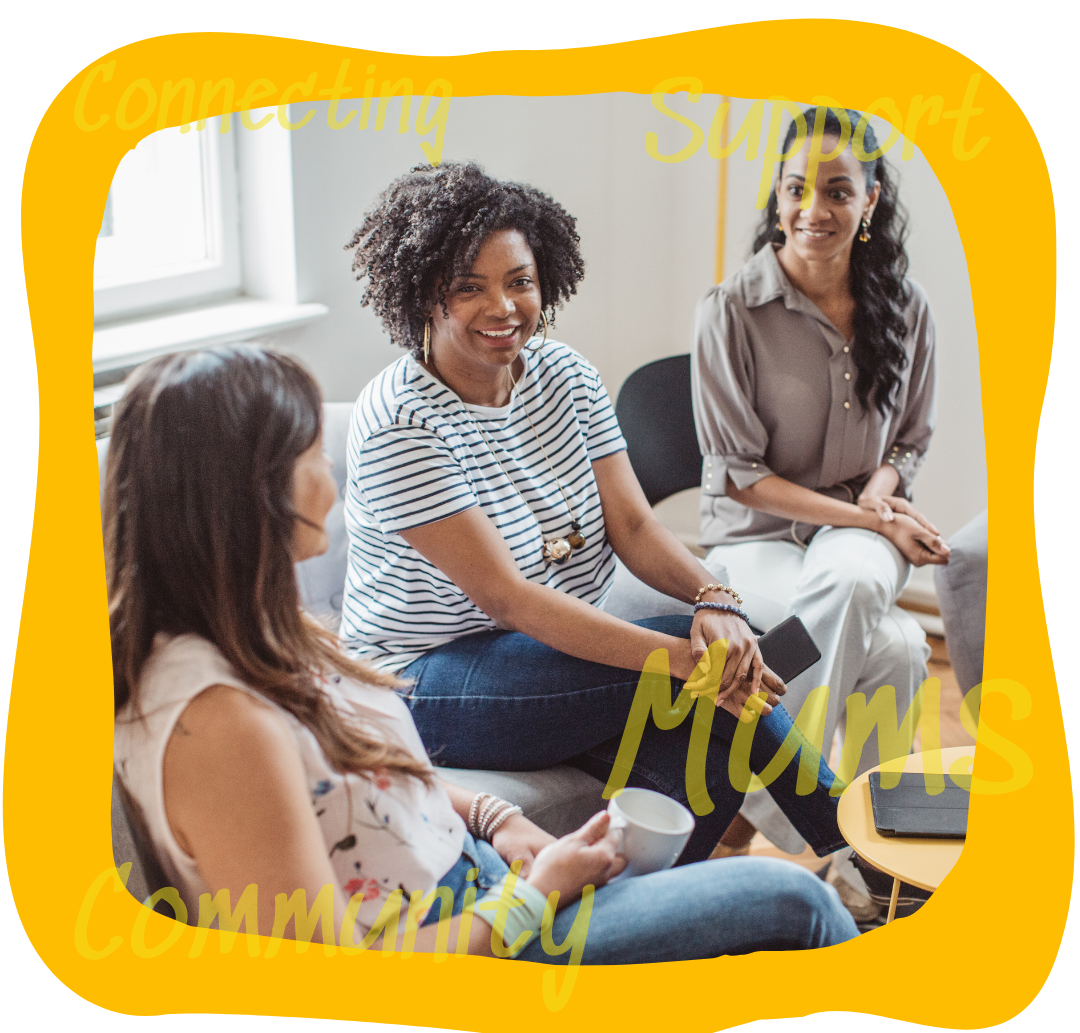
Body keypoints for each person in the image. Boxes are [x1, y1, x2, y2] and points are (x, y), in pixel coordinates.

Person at [108, 345, 858, 959]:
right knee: (793, 900)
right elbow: (331, 982)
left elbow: (374, 773)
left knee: (707, 715)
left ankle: (853, 854)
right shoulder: (215, 723)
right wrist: (536, 896)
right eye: (308, 456)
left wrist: (499, 819)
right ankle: (855, 854)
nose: (329, 476)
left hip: (491, 877)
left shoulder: (267, 631)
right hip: (477, 940)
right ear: (243, 492)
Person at [340, 162, 852, 866]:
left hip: (545, 664)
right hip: (424, 684)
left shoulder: (565, 375)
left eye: (519, 281)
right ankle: (854, 842)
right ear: (423, 291)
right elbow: (509, 599)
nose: (504, 307)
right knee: (713, 670)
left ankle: (642, 902)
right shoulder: (399, 422)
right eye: (469, 287)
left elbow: (635, 527)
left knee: (722, 704)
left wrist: (717, 597)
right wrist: (687, 656)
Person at [691, 107, 950, 861]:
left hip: (856, 527)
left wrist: (879, 494)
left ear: (870, 202)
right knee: (900, 646)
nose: (814, 208)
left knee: (853, 589)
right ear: (777, 194)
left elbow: (909, 439)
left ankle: (747, 808)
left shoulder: (907, 308)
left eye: (838, 190)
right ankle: (863, 854)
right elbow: (739, 477)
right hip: (754, 536)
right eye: (797, 187)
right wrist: (876, 521)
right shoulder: (729, 310)